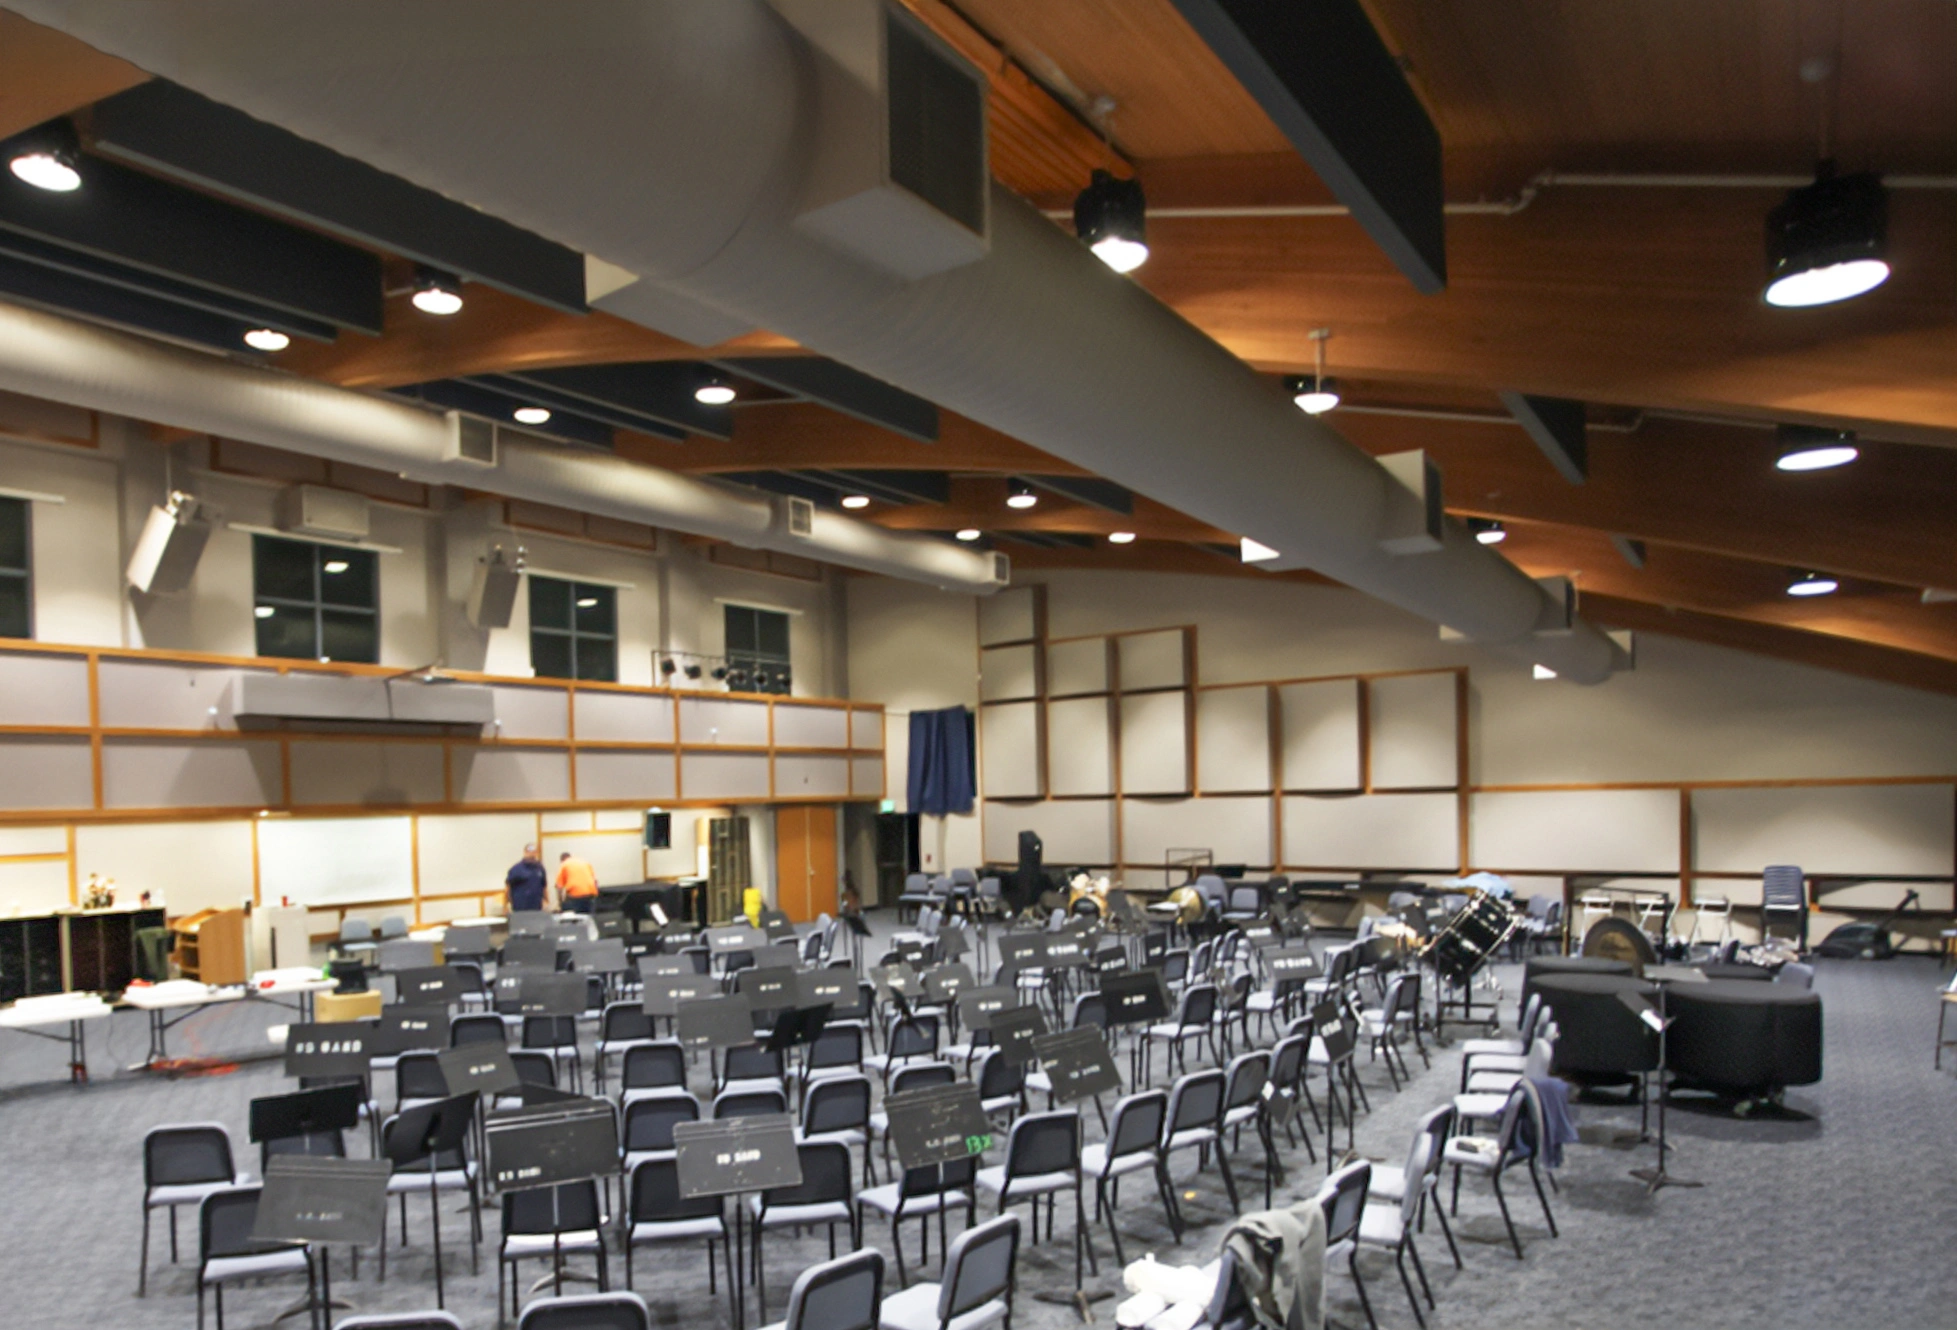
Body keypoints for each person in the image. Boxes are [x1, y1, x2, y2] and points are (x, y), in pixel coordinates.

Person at [505, 843, 547, 914]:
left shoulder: (540, 868)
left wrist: (546, 901)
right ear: (525, 852)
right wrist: (505, 905)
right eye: (529, 852)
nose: (531, 854)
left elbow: (544, 886)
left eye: (534, 852)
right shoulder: (516, 869)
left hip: (536, 908)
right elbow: (508, 888)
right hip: (520, 908)